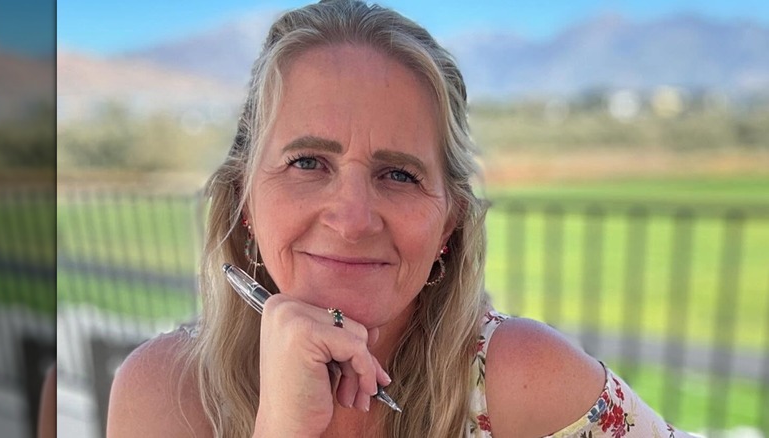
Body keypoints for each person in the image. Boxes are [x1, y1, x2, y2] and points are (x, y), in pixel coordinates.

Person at [106, 1, 699, 437]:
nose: (354, 218)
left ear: (449, 224)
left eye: (399, 175)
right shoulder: (166, 392)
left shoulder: (524, 383)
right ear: (245, 205)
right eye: (308, 162)